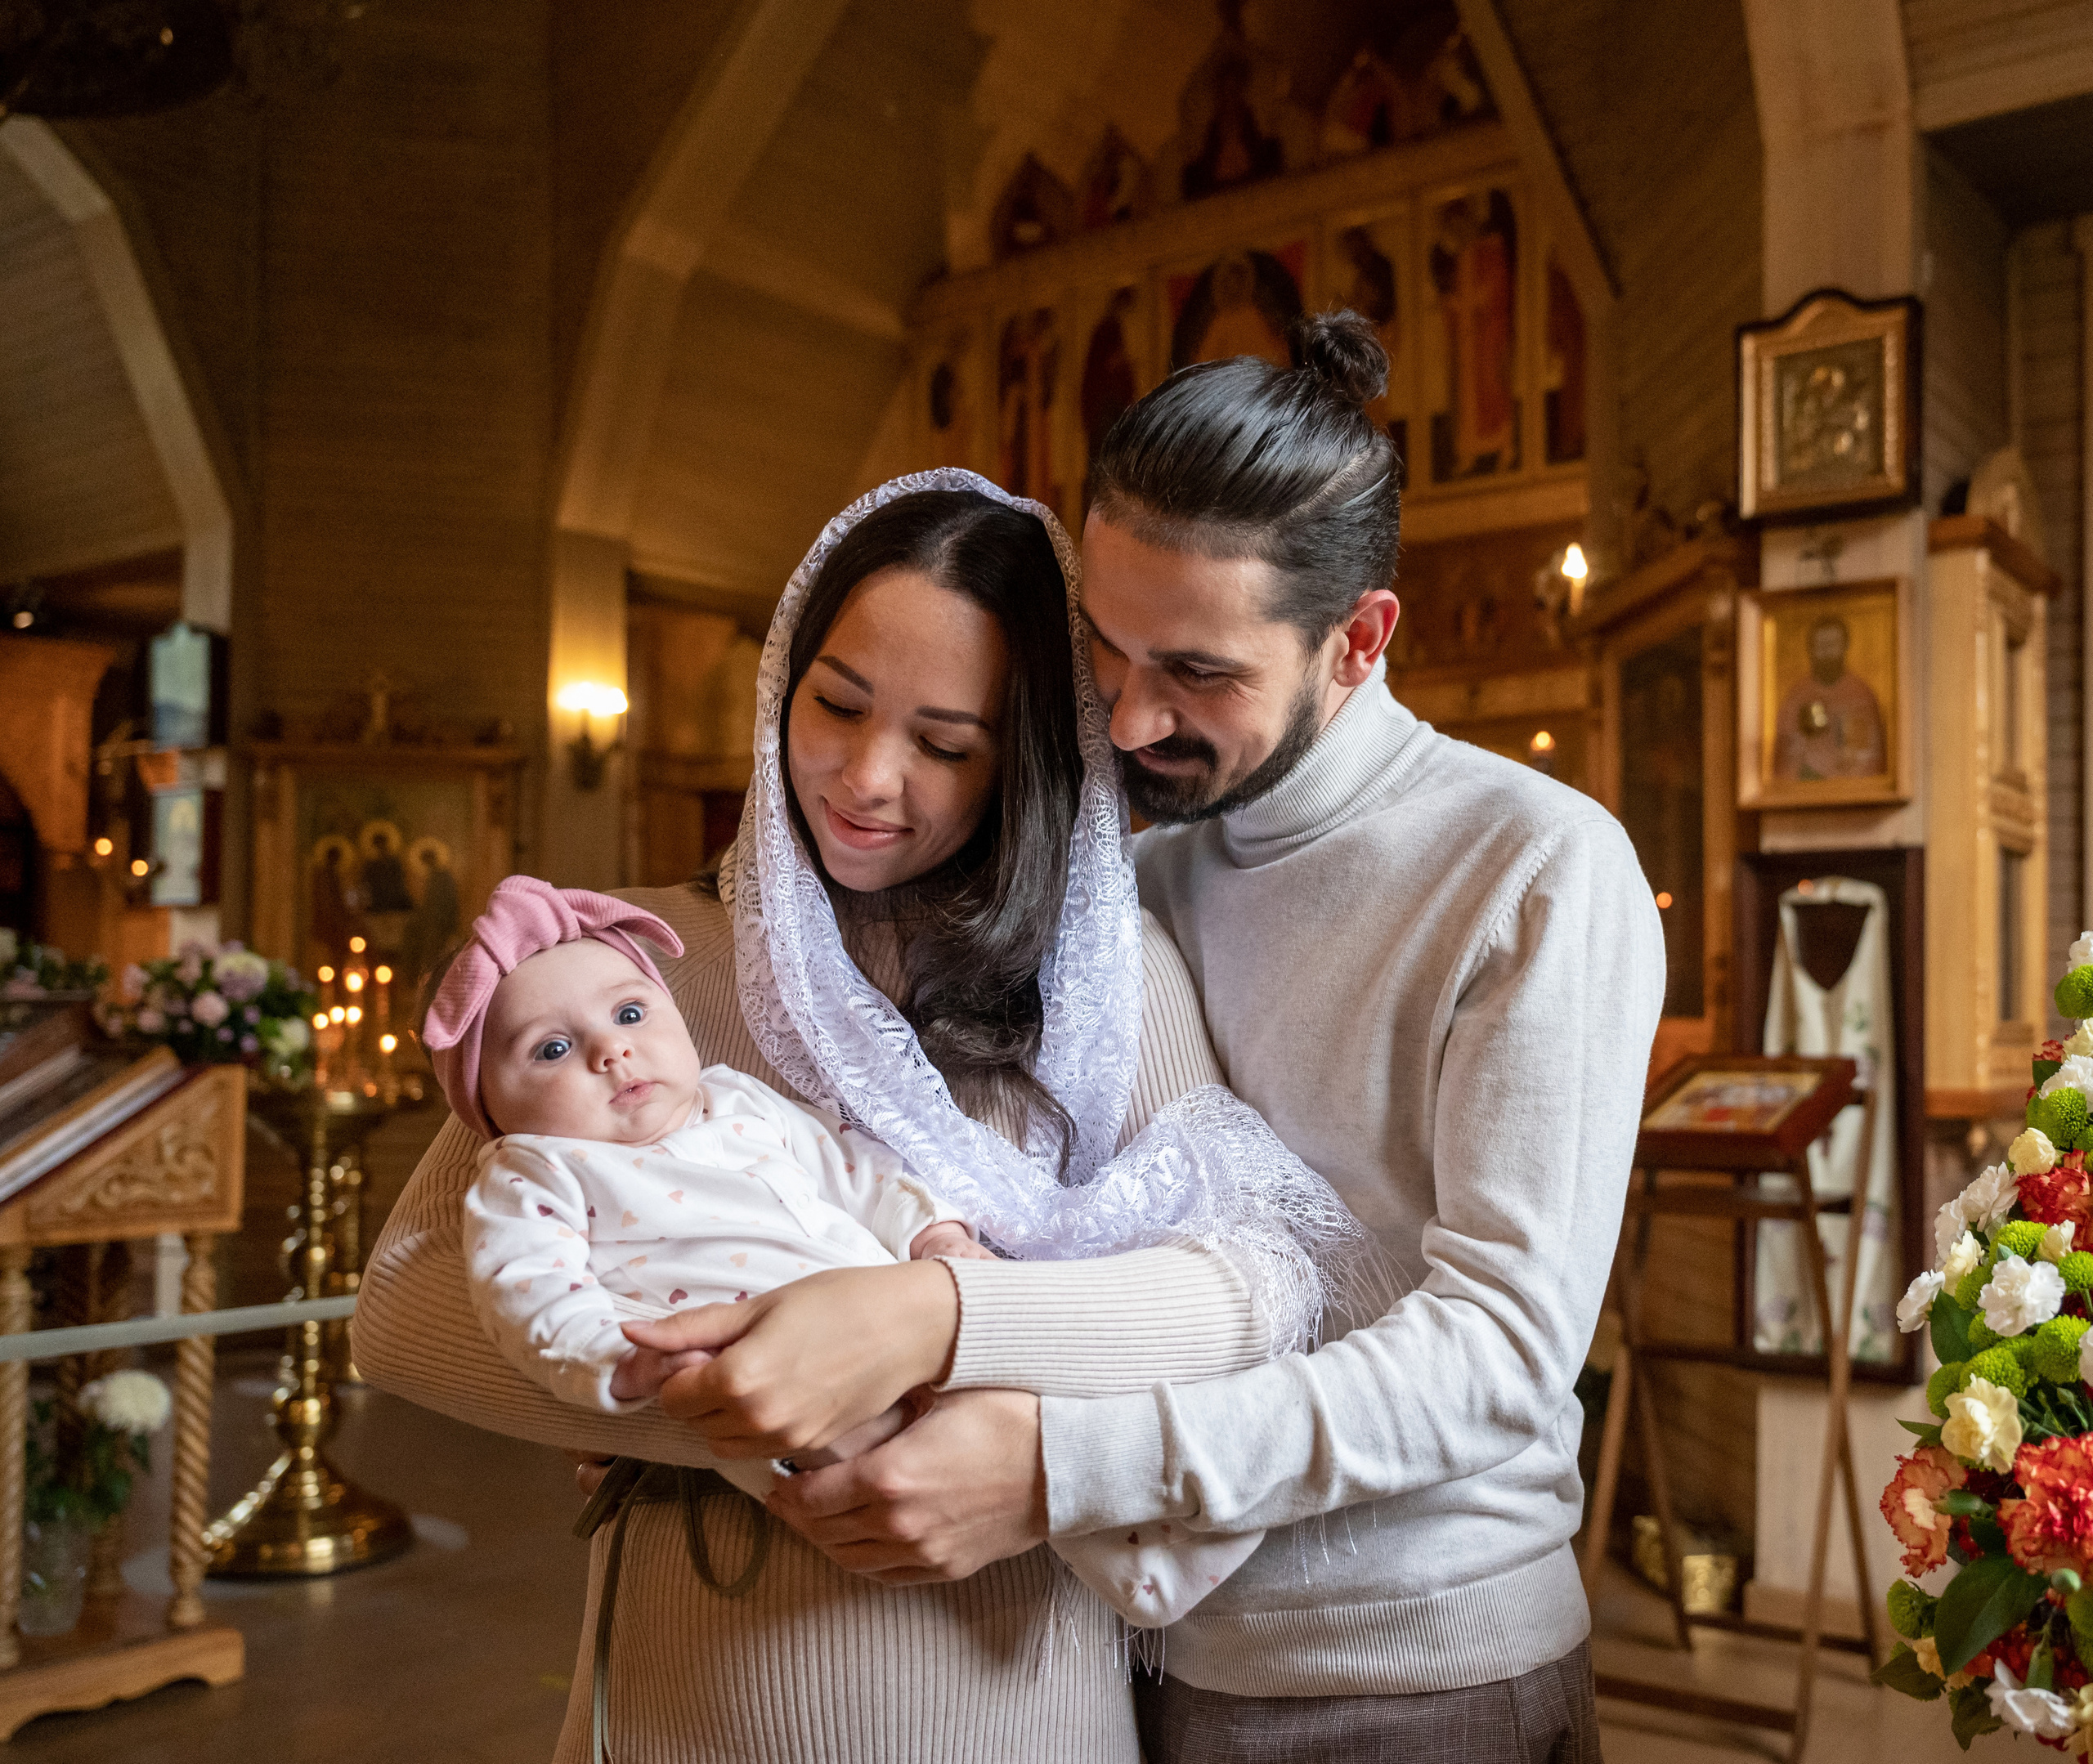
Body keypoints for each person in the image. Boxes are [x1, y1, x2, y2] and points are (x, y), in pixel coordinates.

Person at [634, 312, 1665, 1762]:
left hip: (1414, 1675)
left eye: (1199, 671)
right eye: (1104, 649)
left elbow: (1499, 1348)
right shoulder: (1141, 874)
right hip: (1146, 1663)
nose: (1126, 716)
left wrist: (1058, 1463)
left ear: (1358, 639)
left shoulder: (1532, 864)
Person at [355, 482, 1365, 1763]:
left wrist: (953, 1346)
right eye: (836, 703)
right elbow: (406, 1305)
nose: (869, 779)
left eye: (946, 743)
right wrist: (745, 1395)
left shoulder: (1103, 977)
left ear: (1028, 755)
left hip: (1013, 1702)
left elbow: (1253, 1291)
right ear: (783, 675)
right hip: (695, 1699)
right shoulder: (619, 969)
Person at [432, 872, 1284, 1630]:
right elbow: (527, 1293)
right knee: (892, 1462)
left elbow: (857, 1168)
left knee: (1028, 1415)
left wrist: (933, 1232)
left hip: (892, 1305)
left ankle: (1174, 1537)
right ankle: (1144, 1565)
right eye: (550, 1049)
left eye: (629, 1013)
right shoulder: (532, 1168)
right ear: (493, 1111)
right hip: (758, 1371)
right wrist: (617, 1366)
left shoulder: (734, 1101)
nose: (610, 1050)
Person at [1773, 613, 1885, 781]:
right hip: (1805, 790)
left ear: (1845, 646)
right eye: (1820, 645)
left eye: (1832, 644)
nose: (1826, 652)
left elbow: (1871, 760)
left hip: (1849, 790)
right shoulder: (1796, 697)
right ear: (1810, 649)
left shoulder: (1860, 695)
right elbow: (1784, 759)